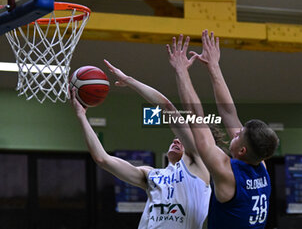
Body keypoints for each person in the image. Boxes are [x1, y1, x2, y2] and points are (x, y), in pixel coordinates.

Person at [71, 59, 211, 229]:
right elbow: (102, 159)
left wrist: (129, 80)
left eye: (182, 140)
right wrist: (81, 116)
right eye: (176, 138)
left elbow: (167, 107)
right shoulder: (151, 175)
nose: (176, 140)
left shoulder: (200, 166)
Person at [167, 31, 279, 229]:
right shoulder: (260, 164)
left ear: (242, 151)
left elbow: (195, 117)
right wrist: (213, 66)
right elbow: (228, 111)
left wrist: (181, 71)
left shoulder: (227, 174)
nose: (235, 132)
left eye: (238, 135)